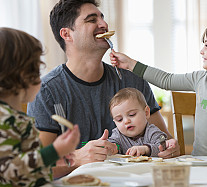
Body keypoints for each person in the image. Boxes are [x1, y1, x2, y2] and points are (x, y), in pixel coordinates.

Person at [27, 0, 179, 178]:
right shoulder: (46, 91)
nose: (104, 24)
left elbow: (165, 142)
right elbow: (36, 168)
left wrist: (169, 149)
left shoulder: (133, 81)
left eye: (102, 18)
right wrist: (78, 157)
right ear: (66, 34)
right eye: (92, 20)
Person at [110, 19, 207, 156]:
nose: (201, 51)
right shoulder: (200, 79)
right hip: (199, 160)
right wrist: (130, 64)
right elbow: (166, 80)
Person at [0, 27, 80, 186]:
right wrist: (53, 151)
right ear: (21, 75)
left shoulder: (7, 114)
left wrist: (56, 154)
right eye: (35, 70)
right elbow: (10, 169)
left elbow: (24, 154)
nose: (40, 78)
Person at [108, 88, 167, 157]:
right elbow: (113, 144)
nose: (126, 121)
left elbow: (163, 146)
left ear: (146, 113)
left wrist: (146, 149)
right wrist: (111, 148)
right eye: (119, 119)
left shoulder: (152, 131)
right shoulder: (118, 135)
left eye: (132, 114)